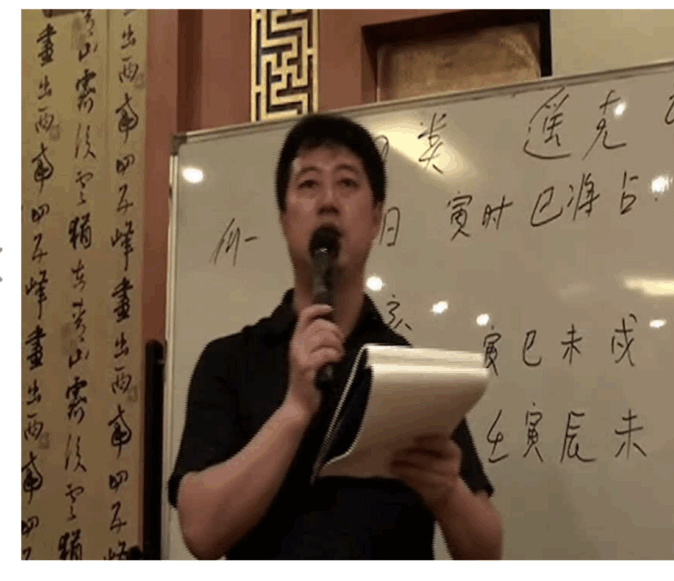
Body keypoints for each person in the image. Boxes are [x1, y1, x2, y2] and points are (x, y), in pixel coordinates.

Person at [168, 114, 503, 560]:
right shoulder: (229, 360)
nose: (328, 201)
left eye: (347, 183)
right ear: (284, 218)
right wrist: (294, 409)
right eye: (309, 184)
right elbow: (200, 532)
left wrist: (448, 494)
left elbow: (486, 554)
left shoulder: (412, 371)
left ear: (377, 216)